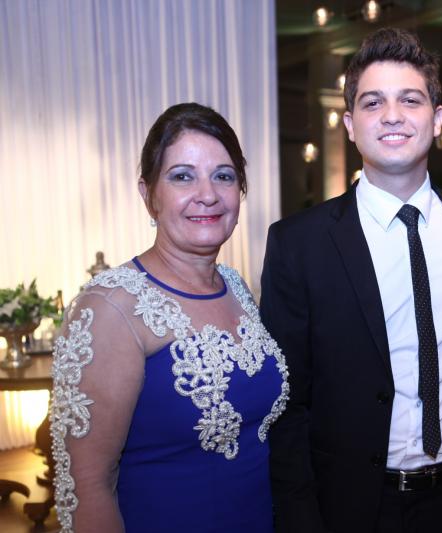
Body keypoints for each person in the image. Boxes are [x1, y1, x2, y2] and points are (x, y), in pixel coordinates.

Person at [261, 28, 442, 533]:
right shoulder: (298, 244)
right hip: (354, 507)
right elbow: (286, 403)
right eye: (373, 103)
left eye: (410, 100)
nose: (392, 115)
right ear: (350, 125)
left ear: (437, 119)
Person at [49, 103, 289, 533]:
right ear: (149, 194)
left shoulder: (236, 287)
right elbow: (87, 487)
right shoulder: (111, 307)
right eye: (182, 176)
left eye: (224, 176)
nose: (207, 194)